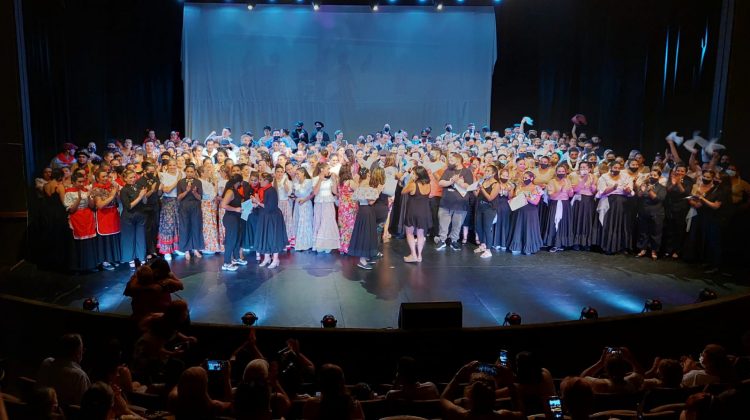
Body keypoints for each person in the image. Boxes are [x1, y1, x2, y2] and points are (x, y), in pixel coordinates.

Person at [440, 361, 522, 419]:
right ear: (494, 397)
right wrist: (510, 383)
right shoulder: (504, 416)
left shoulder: (461, 415)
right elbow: (521, 414)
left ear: (469, 397)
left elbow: (444, 398)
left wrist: (459, 374)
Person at [37, 334, 91, 407]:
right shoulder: (79, 376)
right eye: (81, 349)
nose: (82, 352)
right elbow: (83, 407)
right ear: (77, 352)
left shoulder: (47, 363)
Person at [436, 153, 474, 251]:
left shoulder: (467, 172)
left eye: (452, 159)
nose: (450, 160)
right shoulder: (448, 170)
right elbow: (440, 182)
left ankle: (454, 240)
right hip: (446, 201)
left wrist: (459, 182)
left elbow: (469, 186)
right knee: (443, 222)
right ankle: (442, 240)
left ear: (458, 159)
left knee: (457, 223)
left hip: (460, 203)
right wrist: (451, 181)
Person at [596, 162, 635, 254]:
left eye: (618, 168)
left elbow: (630, 191)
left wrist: (627, 190)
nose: (617, 169)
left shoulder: (626, 176)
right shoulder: (604, 177)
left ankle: (622, 247)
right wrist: (613, 188)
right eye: (615, 167)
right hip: (610, 203)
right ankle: (609, 247)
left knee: (622, 224)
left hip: (623, 203)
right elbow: (601, 192)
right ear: (610, 167)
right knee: (610, 224)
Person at [64, 172, 99, 272]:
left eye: (83, 181)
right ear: (73, 182)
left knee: (89, 242)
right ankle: (78, 267)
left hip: (87, 217)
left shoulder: (86, 190)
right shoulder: (68, 192)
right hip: (76, 218)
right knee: (78, 243)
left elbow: (92, 206)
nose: (82, 184)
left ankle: (90, 265)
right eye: (79, 182)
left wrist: (88, 197)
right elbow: (71, 210)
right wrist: (79, 199)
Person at [348, 168, 381, 269]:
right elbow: (371, 202)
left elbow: (355, 199)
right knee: (365, 234)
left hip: (362, 211)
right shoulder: (367, 188)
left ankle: (365, 256)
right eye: (369, 175)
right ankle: (362, 260)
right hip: (367, 211)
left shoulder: (359, 187)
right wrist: (378, 191)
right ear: (367, 175)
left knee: (364, 233)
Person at [253, 172, 288, 268]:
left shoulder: (271, 191)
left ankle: (276, 259)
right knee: (265, 237)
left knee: (273, 237)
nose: (259, 181)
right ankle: (267, 257)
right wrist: (256, 203)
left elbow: (270, 207)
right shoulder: (263, 190)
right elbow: (263, 204)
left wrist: (258, 202)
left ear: (266, 181)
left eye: (261, 180)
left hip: (272, 217)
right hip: (265, 216)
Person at [90, 169, 122, 270]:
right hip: (103, 215)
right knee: (105, 239)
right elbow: (100, 205)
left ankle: (113, 258)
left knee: (113, 236)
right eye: (103, 177)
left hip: (113, 213)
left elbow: (118, 200)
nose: (105, 178)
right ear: (98, 178)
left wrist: (117, 193)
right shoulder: (96, 189)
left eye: (106, 176)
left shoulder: (111, 187)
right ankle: (104, 261)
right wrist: (112, 195)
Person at [402, 166, 433, 262]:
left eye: (414, 173)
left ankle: (413, 255)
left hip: (413, 211)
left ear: (418, 175)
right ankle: (419, 256)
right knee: (420, 234)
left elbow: (403, 191)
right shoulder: (428, 184)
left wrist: (411, 180)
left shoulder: (413, 184)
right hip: (424, 211)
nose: (412, 175)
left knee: (409, 233)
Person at [509, 171, 544, 255]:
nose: (524, 179)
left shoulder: (537, 188)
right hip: (520, 210)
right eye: (523, 178)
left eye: (526, 178)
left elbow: (535, 202)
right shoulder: (519, 186)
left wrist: (526, 197)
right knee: (518, 228)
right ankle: (517, 246)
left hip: (530, 212)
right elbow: (514, 197)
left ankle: (529, 247)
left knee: (529, 229)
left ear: (531, 178)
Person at [635, 168, 667, 259]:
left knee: (656, 233)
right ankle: (643, 249)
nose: (652, 177)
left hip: (656, 213)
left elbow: (657, 199)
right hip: (644, 212)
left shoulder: (662, 188)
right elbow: (639, 196)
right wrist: (641, 189)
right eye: (651, 175)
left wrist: (649, 190)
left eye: (655, 175)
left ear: (659, 177)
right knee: (643, 232)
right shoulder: (644, 184)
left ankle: (654, 251)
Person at [119, 170, 148, 267]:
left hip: (140, 215)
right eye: (130, 178)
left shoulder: (139, 187)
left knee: (141, 237)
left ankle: (142, 258)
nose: (132, 179)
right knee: (129, 238)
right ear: (125, 179)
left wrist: (144, 196)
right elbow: (129, 206)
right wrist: (140, 196)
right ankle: (130, 258)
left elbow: (144, 202)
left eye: (134, 177)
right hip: (129, 217)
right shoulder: (124, 190)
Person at [474, 164, 501, 258]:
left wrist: (482, 188)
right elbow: (477, 195)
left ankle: (489, 250)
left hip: (489, 209)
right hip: (480, 207)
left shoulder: (496, 184)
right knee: (478, 227)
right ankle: (482, 245)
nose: (486, 172)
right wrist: (475, 188)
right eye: (486, 170)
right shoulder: (483, 181)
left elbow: (490, 198)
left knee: (486, 228)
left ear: (494, 173)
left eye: (488, 171)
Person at [312, 162, 340, 253]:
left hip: (328, 202)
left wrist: (334, 180)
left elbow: (335, 192)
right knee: (319, 221)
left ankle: (327, 244)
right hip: (319, 202)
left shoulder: (330, 179)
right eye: (327, 168)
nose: (329, 170)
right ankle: (319, 244)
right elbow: (315, 193)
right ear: (322, 169)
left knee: (328, 221)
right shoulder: (315, 179)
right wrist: (320, 180)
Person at [220, 174, 245, 271]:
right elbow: (223, 205)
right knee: (231, 240)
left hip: (236, 218)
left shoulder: (235, 191)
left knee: (237, 238)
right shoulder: (230, 191)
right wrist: (235, 209)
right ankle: (226, 263)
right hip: (231, 219)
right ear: (238, 182)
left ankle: (236, 258)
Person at [571, 161, 598, 250]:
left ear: (589, 169)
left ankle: (586, 242)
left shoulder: (593, 177)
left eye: (585, 168)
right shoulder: (575, 176)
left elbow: (594, 191)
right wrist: (583, 180)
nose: (583, 169)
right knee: (577, 220)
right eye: (581, 167)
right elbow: (575, 189)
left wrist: (592, 184)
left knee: (587, 221)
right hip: (578, 200)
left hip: (589, 200)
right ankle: (576, 242)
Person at [158, 159, 182, 260]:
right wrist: (177, 181)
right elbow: (166, 190)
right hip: (168, 202)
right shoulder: (164, 175)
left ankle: (175, 248)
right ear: (167, 166)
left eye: (174, 165)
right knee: (168, 226)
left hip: (178, 202)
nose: (172, 167)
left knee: (177, 225)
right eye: (170, 165)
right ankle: (166, 250)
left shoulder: (181, 173)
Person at [136, 162, 161, 259]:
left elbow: (159, 194)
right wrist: (151, 190)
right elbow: (142, 197)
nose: (151, 173)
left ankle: (154, 249)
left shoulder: (155, 179)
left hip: (155, 207)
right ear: (145, 171)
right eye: (149, 171)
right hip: (145, 209)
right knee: (147, 230)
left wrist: (159, 190)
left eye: (153, 171)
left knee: (155, 228)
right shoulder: (140, 182)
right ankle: (147, 251)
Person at [337, 162, 358, 254]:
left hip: (342, 207)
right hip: (350, 208)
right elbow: (359, 191)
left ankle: (342, 246)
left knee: (342, 226)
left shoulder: (339, 182)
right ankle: (348, 247)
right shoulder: (350, 182)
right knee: (350, 227)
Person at [292, 167, 315, 251]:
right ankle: (299, 241)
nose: (296, 175)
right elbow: (295, 194)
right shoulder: (296, 183)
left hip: (305, 204)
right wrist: (295, 198)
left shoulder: (308, 182)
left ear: (303, 173)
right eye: (296, 174)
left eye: (298, 173)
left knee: (305, 222)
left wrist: (304, 200)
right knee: (298, 221)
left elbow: (313, 194)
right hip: (298, 204)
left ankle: (306, 243)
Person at [492, 168, 515, 251]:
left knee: (504, 223)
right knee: (496, 222)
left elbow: (510, 197)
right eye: (503, 175)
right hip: (496, 204)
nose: (505, 177)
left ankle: (503, 242)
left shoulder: (510, 185)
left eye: (506, 176)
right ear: (499, 175)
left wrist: (509, 190)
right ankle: (495, 242)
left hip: (505, 206)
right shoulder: (495, 184)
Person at [273, 164, 294, 250]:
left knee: (286, 222)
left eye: (281, 172)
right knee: (277, 223)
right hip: (276, 204)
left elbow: (288, 193)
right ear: (275, 172)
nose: (280, 173)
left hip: (285, 203)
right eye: (278, 172)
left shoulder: (287, 181)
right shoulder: (272, 182)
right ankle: (278, 241)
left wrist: (285, 183)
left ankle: (286, 241)